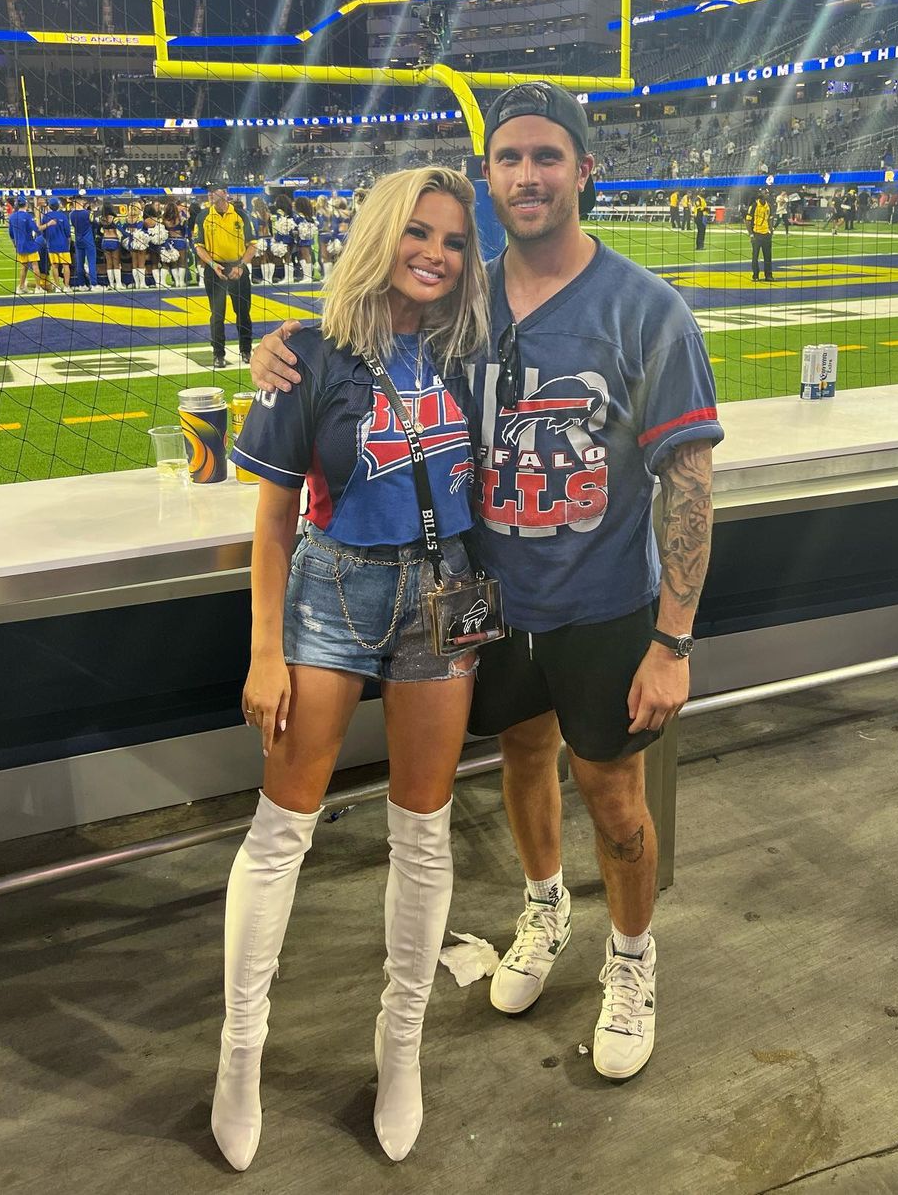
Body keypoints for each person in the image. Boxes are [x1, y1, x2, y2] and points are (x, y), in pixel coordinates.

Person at [250, 82, 722, 1084]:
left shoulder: (649, 310)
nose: (527, 175)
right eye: (509, 157)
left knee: (615, 793)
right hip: (487, 596)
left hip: (603, 603)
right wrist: (279, 348)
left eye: (547, 155)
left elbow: (690, 483)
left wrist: (673, 640)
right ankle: (544, 910)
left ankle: (633, 958)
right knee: (520, 756)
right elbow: (364, 336)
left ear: (584, 169)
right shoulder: (463, 301)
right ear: (490, 173)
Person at [211, 167, 489, 1170]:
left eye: (453, 239)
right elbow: (273, 519)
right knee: (281, 830)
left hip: (445, 592)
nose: (435, 253)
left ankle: (400, 1043)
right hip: (332, 589)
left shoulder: (473, 346)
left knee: (423, 829)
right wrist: (264, 650)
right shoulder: (309, 352)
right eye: (418, 232)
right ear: (381, 234)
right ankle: (241, 1051)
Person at [193, 185, 258, 369]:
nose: (210, 195)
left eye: (215, 191)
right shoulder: (203, 216)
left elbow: (252, 245)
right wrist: (212, 265)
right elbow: (198, 246)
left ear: (225, 194)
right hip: (215, 269)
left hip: (238, 268)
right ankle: (218, 354)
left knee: (243, 312)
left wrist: (241, 265)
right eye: (209, 192)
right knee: (217, 314)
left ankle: (246, 350)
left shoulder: (241, 215)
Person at [7, 197, 41, 294]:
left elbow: (11, 234)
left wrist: (15, 244)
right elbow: (36, 229)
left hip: (20, 245)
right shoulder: (27, 216)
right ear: (26, 204)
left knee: (24, 267)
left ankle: (21, 287)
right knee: (35, 265)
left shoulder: (12, 217)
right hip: (30, 244)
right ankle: (38, 288)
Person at [40, 198, 73, 293]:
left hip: (52, 244)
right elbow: (68, 233)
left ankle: (58, 287)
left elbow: (43, 233)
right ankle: (66, 286)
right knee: (66, 265)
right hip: (63, 244)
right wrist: (68, 244)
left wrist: (48, 241)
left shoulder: (45, 217)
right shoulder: (63, 216)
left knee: (54, 266)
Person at [70, 197, 98, 290]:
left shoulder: (71, 214)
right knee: (91, 262)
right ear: (81, 202)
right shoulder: (88, 213)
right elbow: (95, 224)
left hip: (78, 239)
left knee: (79, 263)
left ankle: (81, 284)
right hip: (88, 239)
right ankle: (93, 284)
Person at [745, 187, 773, 280]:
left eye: (767, 193)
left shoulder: (768, 206)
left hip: (766, 234)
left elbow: (770, 219)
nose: (767, 195)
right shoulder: (754, 206)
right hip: (756, 234)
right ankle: (755, 275)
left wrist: (771, 231)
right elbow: (748, 221)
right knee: (755, 256)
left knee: (768, 256)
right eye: (765, 193)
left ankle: (768, 275)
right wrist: (751, 234)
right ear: (761, 194)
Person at [162, 200, 189, 288]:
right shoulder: (180, 218)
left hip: (169, 241)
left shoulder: (164, 219)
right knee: (182, 262)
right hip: (180, 241)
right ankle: (181, 282)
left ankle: (177, 282)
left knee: (173, 263)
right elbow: (185, 230)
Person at [250, 196, 275, 286]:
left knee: (263, 258)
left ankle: (265, 279)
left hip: (261, 238)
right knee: (270, 258)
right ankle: (270, 279)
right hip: (269, 237)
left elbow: (256, 227)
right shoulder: (268, 214)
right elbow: (272, 227)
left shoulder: (254, 214)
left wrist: (255, 237)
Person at [99, 203, 124, 289]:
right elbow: (121, 229)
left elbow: (98, 231)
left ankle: (111, 284)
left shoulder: (101, 219)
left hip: (105, 241)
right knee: (116, 263)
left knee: (109, 263)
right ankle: (118, 284)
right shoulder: (115, 218)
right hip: (114, 241)